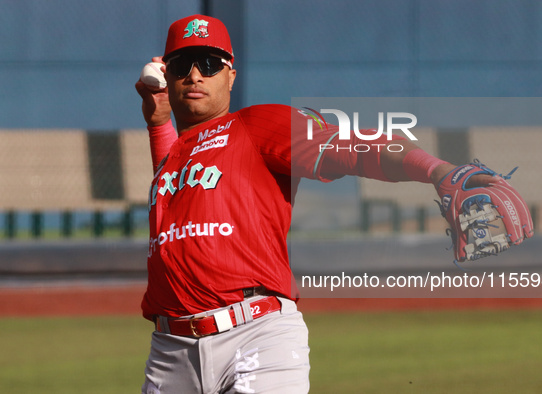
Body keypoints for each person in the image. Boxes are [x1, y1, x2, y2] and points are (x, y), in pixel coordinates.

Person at [135, 14, 499, 394]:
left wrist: (437, 170)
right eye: (181, 65)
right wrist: (159, 122)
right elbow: (173, 180)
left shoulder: (255, 125)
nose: (194, 75)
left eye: (208, 64)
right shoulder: (173, 155)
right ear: (166, 75)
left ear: (230, 75)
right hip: (169, 352)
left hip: (253, 335)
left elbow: (354, 147)